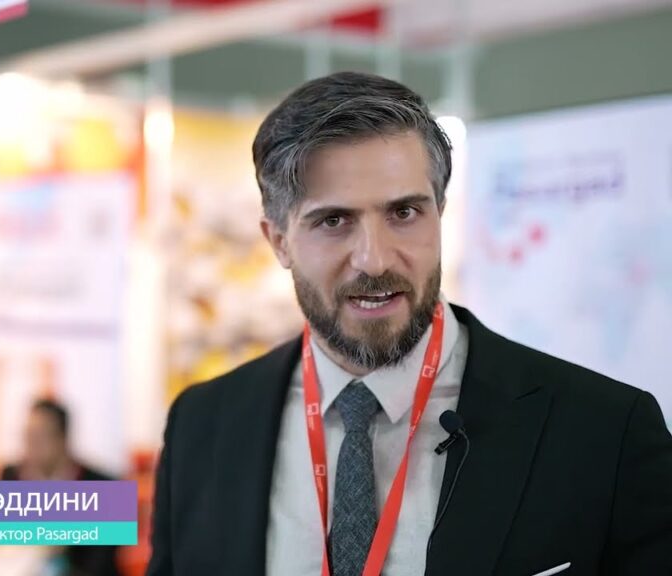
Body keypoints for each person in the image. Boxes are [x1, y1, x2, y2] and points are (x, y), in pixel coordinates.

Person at [146, 72, 672, 576]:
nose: (374, 260)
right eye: (334, 221)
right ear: (278, 241)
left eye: (403, 213)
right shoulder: (202, 424)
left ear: (439, 211)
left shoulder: (605, 432)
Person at [1, 399, 120, 576]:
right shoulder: (10, 479)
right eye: (28, 436)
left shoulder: (106, 488)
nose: (31, 445)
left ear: (62, 439)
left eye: (39, 437)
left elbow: (101, 565)